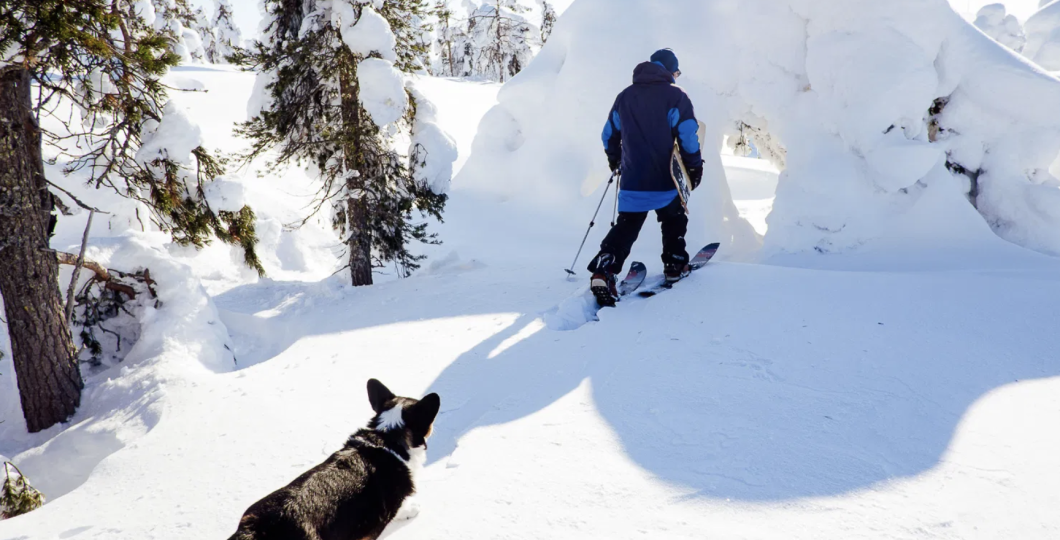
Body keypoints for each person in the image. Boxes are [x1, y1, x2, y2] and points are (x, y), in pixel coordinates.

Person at [588, 48, 704, 306]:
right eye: (676, 71)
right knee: (673, 219)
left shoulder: (625, 97)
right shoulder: (676, 97)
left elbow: (608, 135)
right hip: (666, 179)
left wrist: (615, 160)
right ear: (670, 70)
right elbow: (688, 136)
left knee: (626, 226)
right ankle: (675, 265)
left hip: (633, 180)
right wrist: (694, 167)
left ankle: (604, 269)